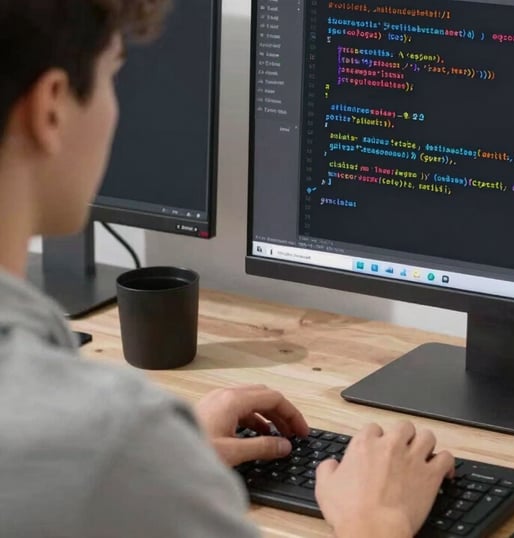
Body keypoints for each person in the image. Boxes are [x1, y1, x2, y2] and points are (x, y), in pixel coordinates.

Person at [0, 1, 454, 537]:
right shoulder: (104, 441)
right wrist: (375, 524)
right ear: (51, 108)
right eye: (114, 73)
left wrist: (168, 464)